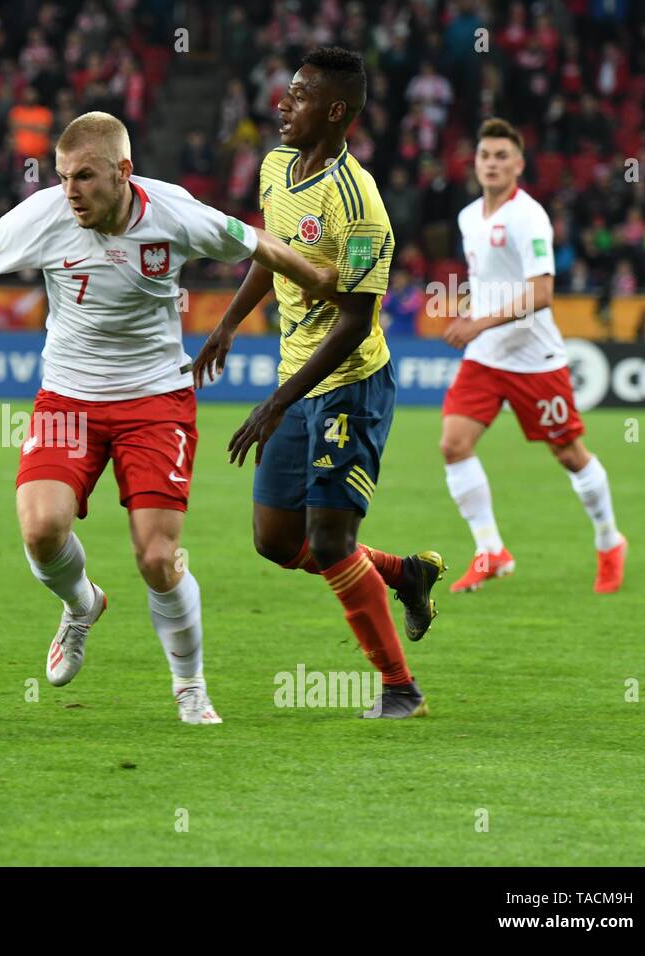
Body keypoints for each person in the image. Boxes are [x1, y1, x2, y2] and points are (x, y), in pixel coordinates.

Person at [0, 110, 335, 724]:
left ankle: (189, 686)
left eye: (85, 177)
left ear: (123, 172)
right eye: (63, 176)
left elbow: (259, 244)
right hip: (68, 397)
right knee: (41, 530)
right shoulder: (45, 214)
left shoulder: (174, 212)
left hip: (155, 401)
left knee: (157, 558)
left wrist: (319, 279)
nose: (71, 191)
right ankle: (81, 603)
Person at [193, 47, 442, 720]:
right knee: (276, 542)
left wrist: (275, 404)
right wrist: (226, 324)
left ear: (336, 111)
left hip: (349, 387)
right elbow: (270, 256)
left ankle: (399, 688)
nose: (282, 103)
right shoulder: (276, 168)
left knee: (330, 542)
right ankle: (403, 574)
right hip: (292, 383)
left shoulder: (360, 206)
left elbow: (357, 322)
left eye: (299, 95)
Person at [440, 118, 626, 594]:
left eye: (503, 156)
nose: (493, 164)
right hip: (485, 357)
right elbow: (489, 284)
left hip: (534, 360)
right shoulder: (467, 217)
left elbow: (542, 292)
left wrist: (479, 321)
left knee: (569, 454)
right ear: (475, 163)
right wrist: (468, 312)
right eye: (485, 156)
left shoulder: (529, 217)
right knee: (454, 444)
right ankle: (491, 551)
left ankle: (609, 540)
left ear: (519, 165)